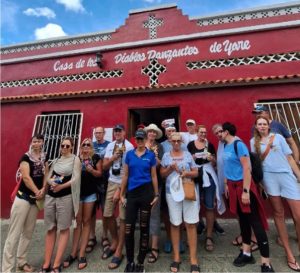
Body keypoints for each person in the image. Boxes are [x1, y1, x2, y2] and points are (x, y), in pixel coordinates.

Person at [221, 122, 274, 272]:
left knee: (255, 223)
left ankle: (266, 263)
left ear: (226, 132)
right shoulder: (226, 146)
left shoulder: (239, 145)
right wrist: (226, 183)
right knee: (243, 221)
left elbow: (246, 168)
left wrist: (245, 191)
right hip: (232, 187)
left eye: (221, 132)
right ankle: (246, 253)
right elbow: (228, 166)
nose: (219, 135)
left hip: (244, 187)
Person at [251, 115, 300, 271]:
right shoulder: (253, 142)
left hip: (286, 175)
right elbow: (257, 163)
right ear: (256, 127)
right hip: (269, 179)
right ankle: (289, 254)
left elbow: (290, 158)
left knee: (298, 215)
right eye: (259, 124)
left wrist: (298, 175)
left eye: (264, 124)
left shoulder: (278, 137)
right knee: (278, 214)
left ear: (268, 125)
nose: (262, 126)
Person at [2, 134, 49, 273]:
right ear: (31, 143)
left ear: (43, 143)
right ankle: (6, 269)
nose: (36, 143)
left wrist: (43, 189)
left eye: (39, 141)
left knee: (28, 233)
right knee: (13, 234)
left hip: (35, 200)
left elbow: (46, 173)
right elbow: (26, 178)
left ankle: (21, 263)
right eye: (34, 141)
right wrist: (37, 191)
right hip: (23, 199)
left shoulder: (45, 156)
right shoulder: (25, 158)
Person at [120, 129, 159, 272]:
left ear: (145, 140)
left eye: (142, 139)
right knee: (129, 229)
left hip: (146, 193)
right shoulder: (129, 155)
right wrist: (122, 194)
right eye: (138, 139)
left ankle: (140, 262)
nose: (140, 141)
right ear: (135, 140)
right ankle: (130, 261)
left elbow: (154, 176)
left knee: (144, 227)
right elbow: (125, 175)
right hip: (132, 194)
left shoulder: (150, 155)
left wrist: (156, 195)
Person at [40, 136, 81, 273]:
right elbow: (49, 177)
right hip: (51, 197)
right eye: (62, 145)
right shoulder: (56, 160)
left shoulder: (75, 160)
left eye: (67, 146)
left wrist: (61, 186)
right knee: (51, 229)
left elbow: (76, 179)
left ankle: (56, 265)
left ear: (72, 147)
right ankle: (46, 264)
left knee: (63, 229)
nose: (64, 148)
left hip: (66, 198)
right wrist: (50, 182)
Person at [161, 132, 200, 273]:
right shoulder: (166, 156)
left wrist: (187, 173)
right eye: (174, 141)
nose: (176, 143)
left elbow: (196, 172)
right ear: (170, 141)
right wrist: (170, 168)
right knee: (175, 224)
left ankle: (193, 259)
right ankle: (176, 257)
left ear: (181, 142)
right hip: (172, 193)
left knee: (190, 224)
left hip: (188, 190)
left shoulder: (188, 155)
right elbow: (162, 174)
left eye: (179, 141)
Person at [63, 138, 102, 270]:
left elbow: (99, 174)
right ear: (80, 147)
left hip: (90, 194)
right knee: (77, 222)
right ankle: (73, 252)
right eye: (83, 144)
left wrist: (91, 170)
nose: (86, 146)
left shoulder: (96, 158)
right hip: (77, 194)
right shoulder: (76, 159)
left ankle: (81, 253)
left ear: (91, 147)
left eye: (88, 144)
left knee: (86, 222)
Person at [187, 125, 225, 252]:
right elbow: (187, 161)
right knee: (193, 205)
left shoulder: (210, 145)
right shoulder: (190, 145)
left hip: (208, 175)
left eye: (205, 132)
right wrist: (191, 158)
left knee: (209, 206)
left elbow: (215, 163)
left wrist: (212, 159)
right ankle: (196, 232)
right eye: (201, 132)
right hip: (195, 176)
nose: (203, 134)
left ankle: (209, 236)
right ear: (197, 133)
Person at [102, 124, 134, 270]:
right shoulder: (110, 146)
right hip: (111, 181)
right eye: (115, 131)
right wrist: (113, 157)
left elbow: (131, 171)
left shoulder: (130, 147)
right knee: (107, 214)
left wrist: (120, 190)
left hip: (124, 184)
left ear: (124, 132)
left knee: (122, 218)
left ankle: (119, 250)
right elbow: (104, 166)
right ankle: (114, 241)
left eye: (120, 131)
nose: (117, 133)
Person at [160, 122, 187, 254]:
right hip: (166, 182)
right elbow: (160, 164)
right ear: (166, 133)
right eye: (168, 130)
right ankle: (169, 239)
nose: (170, 132)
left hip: (181, 183)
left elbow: (188, 161)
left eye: (173, 130)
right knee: (167, 213)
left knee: (180, 212)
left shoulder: (183, 145)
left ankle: (180, 240)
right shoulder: (161, 146)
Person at [86, 127, 110, 253]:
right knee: (91, 212)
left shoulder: (109, 145)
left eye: (100, 133)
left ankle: (105, 236)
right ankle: (91, 236)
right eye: (96, 133)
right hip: (92, 182)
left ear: (104, 133)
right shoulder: (90, 145)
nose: (98, 135)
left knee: (105, 210)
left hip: (105, 181)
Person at [144, 123, 163, 263]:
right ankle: (145, 244)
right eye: (150, 132)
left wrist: (154, 156)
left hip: (155, 185)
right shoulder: (141, 144)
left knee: (155, 214)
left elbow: (159, 165)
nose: (152, 134)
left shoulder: (159, 147)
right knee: (143, 215)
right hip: (141, 184)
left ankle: (155, 247)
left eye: (154, 132)